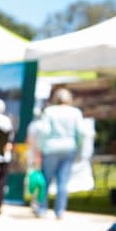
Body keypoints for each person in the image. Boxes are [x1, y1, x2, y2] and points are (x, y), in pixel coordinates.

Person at [33, 88, 84, 220]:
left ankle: (42, 209)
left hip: (50, 149)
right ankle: (60, 211)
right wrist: (78, 147)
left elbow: (44, 131)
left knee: (46, 180)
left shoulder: (50, 111)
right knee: (63, 182)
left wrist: (40, 147)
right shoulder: (75, 112)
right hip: (68, 148)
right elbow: (81, 133)